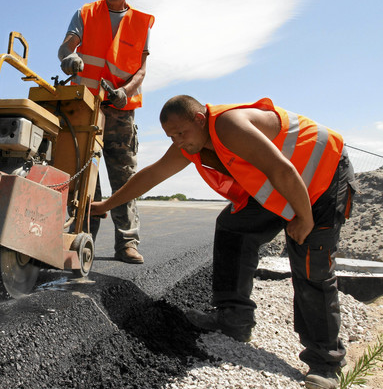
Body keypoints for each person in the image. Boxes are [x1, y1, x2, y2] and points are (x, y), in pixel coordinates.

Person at [91, 95, 355, 389]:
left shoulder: (229, 125)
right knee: (233, 227)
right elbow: (152, 175)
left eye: (181, 132)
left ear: (200, 119)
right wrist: (106, 205)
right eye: (171, 136)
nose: (178, 141)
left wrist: (304, 218)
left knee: (311, 266)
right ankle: (234, 320)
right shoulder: (191, 146)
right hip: (283, 184)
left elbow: (281, 168)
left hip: (323, 177)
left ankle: (325, 362)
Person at [58, 0, 155, 264]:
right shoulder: (86, 13)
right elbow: (66, 47)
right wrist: (68, 59)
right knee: (84, 175)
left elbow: (140, 71)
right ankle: (81, 240)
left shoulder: (141, 21)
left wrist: (125, 93)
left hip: (119, 110)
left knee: (123, 176)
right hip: (84, 106)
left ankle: (127, 242)